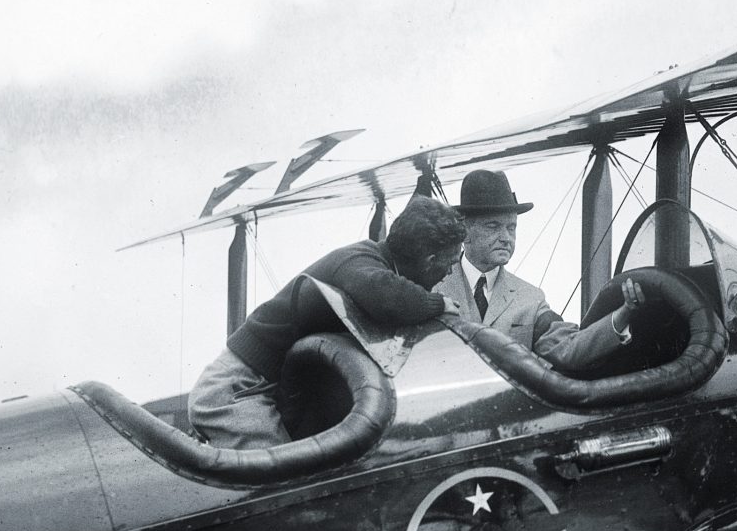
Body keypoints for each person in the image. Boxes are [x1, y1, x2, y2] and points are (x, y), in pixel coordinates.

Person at [189, 196, 465, 448]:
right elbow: (389, 298)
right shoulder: (359, 260)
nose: (451, 271)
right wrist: (440, 304)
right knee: (283, 478)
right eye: (450, 262)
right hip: (235, 388)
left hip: (257, 386)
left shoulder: (372, 263)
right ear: (429, 261)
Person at [436, 169, 645, 371]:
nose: (506, 238)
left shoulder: (530, 299)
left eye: (511, 227)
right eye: (493, 226)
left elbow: (569, 348)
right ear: (465, 232)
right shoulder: (431, 287)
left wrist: (623, 314)